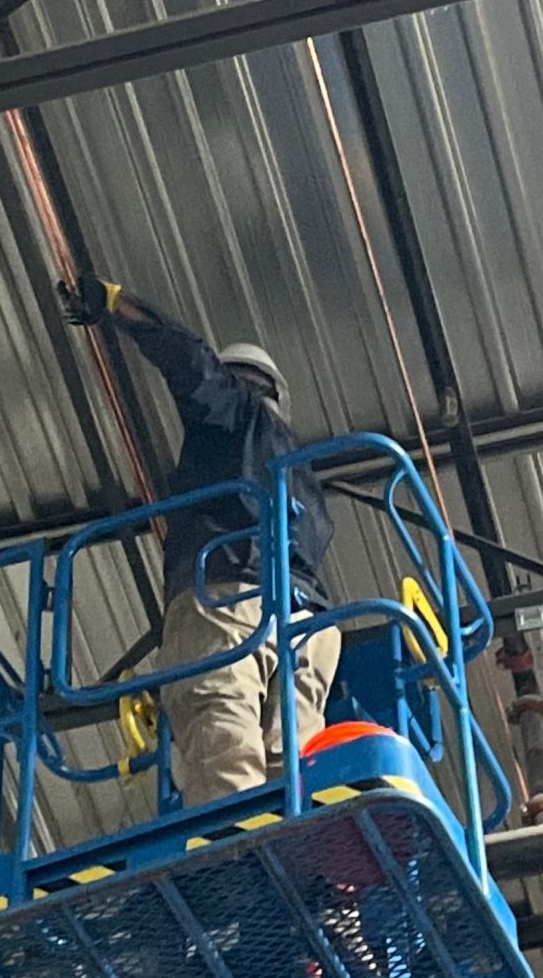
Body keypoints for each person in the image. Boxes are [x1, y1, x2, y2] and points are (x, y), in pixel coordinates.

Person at [58, 275, 341, 809]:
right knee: (293, 770)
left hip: (228, 601)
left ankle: (236, 863)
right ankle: (301, 866)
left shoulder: (233, 414)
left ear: (240, 383)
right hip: (311, 627)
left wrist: (119, 305)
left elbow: (190, 363)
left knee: (221, 736)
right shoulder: (300, 472)